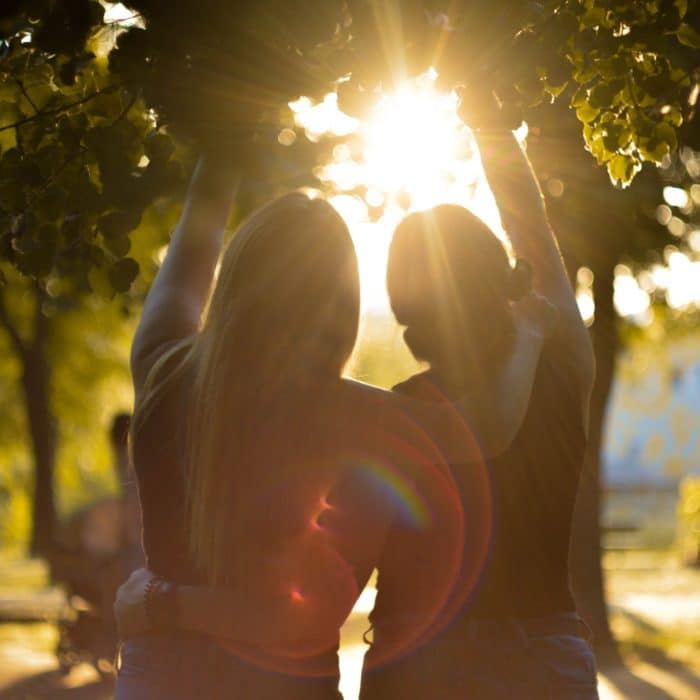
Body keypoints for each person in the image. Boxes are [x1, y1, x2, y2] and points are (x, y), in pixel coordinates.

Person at [113, 153, 553, 699]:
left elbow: (194, 243)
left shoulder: (161, 366)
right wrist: (531, 334)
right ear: (339, 303)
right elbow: (486, 428)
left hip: (157, 679)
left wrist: (220, 148)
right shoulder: (343, 412)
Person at [358, 103, 598, 698]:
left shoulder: (402, 412)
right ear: (499, 274)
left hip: (420, 663)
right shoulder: (563, 367)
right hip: (544, 661)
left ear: (406, 306)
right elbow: (532, 230)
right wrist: (493, 124)